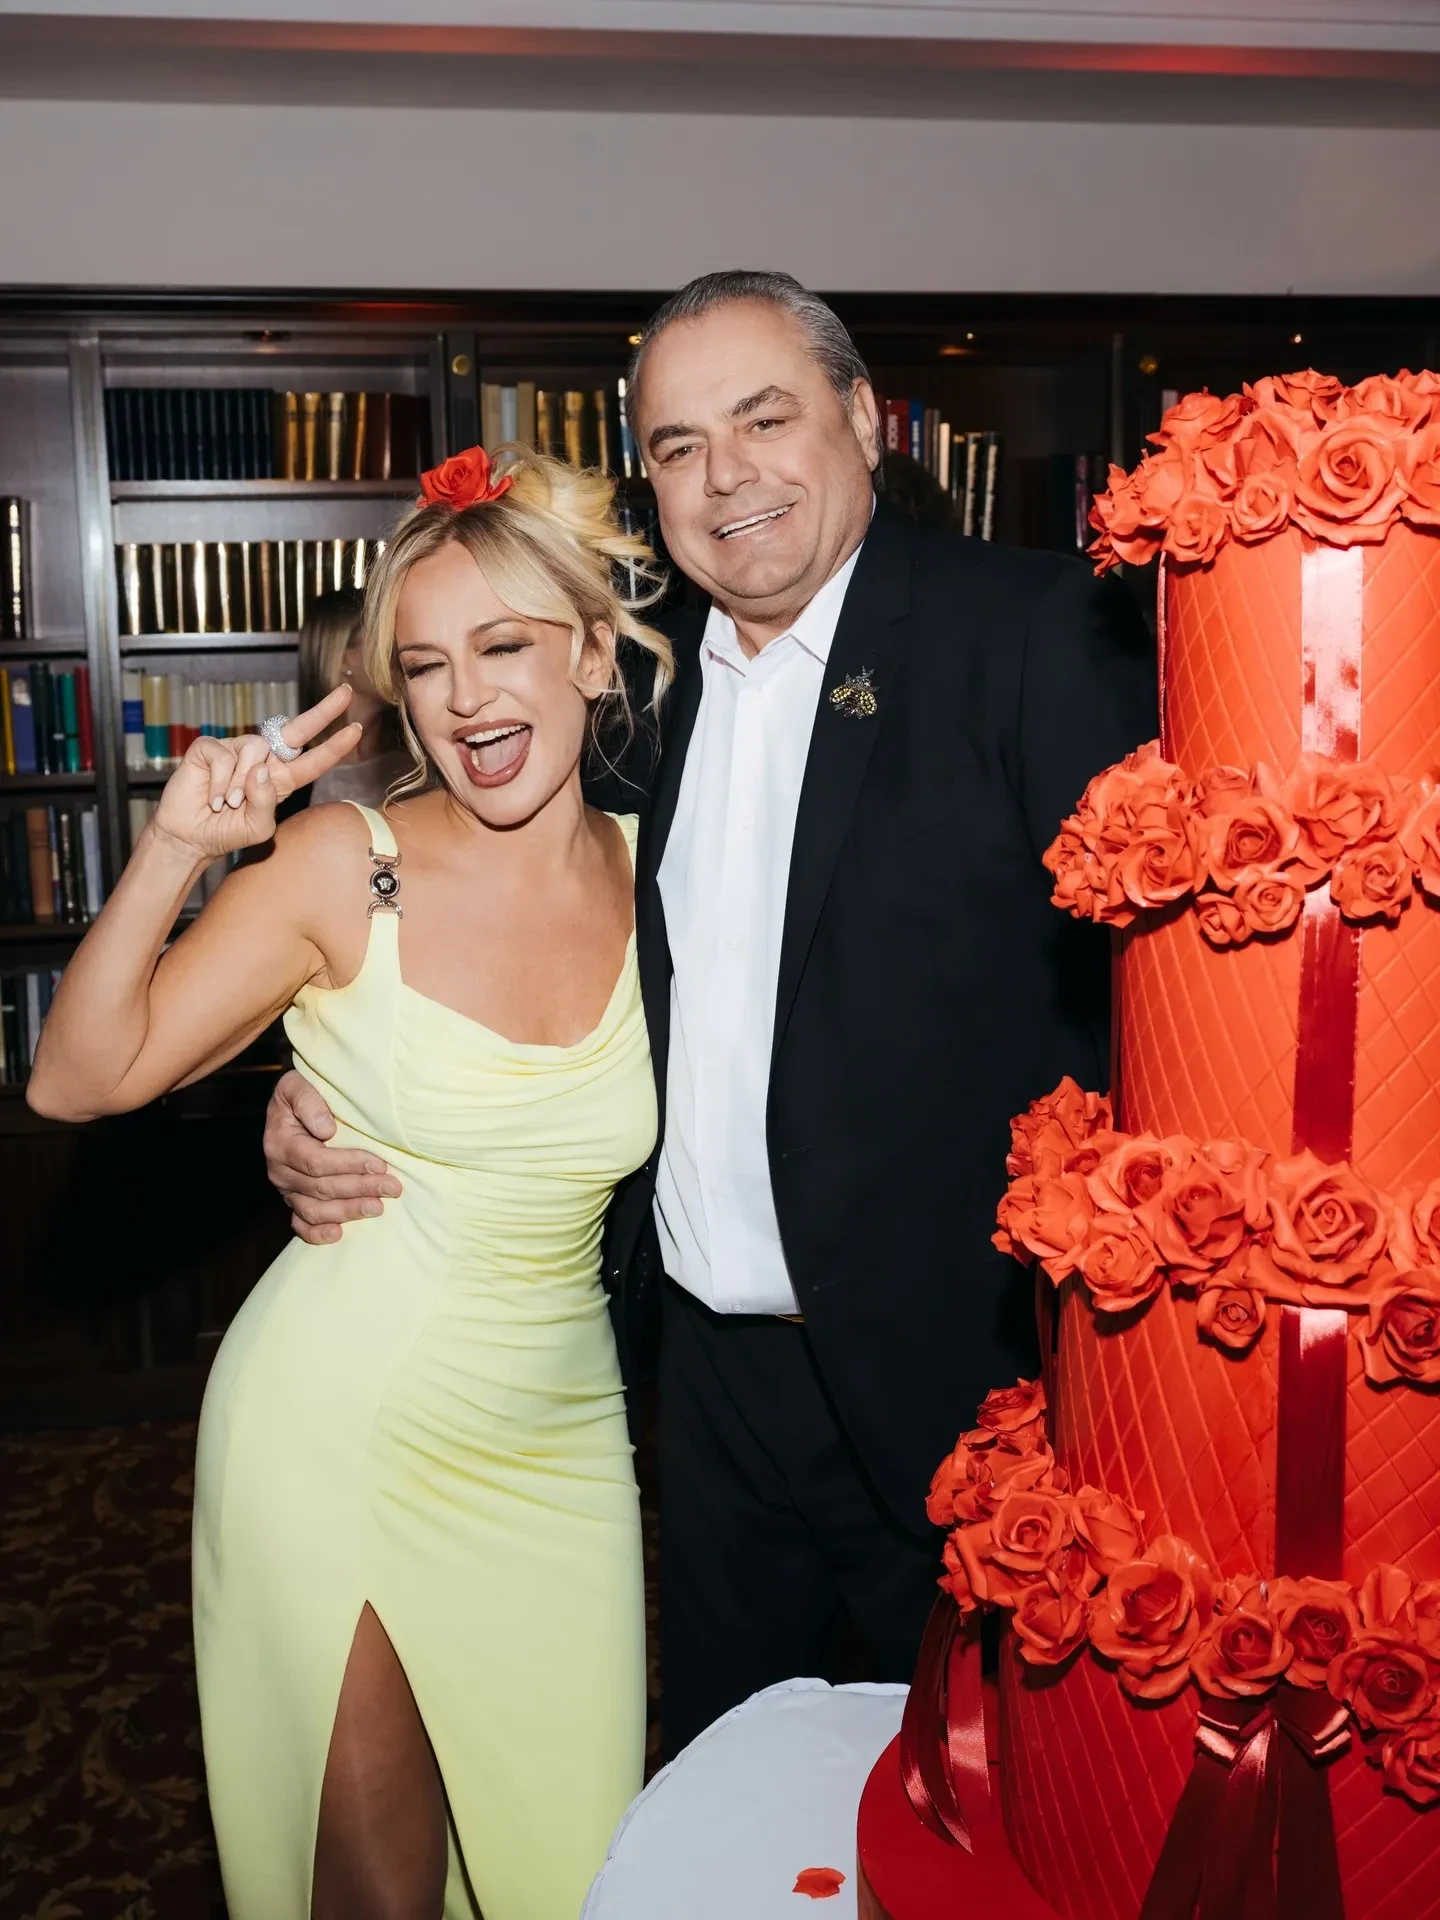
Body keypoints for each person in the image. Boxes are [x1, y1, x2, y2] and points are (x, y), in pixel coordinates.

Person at [261, 271, 1157, 1759]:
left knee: (984, 1801)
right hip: (703, 1387)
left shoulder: (1030, 632)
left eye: (764, 419)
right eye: (678, 446)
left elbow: (1161, 1004)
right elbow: (484, 916)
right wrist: (325, 1084)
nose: (727, 475)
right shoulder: (627, 681)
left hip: (961, 1381)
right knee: (721, 1787)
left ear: (863, 419)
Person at [27, 447, 672, 1920]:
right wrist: (175, 849)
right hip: (338, 1434)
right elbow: (78, 1078)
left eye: (503, 647)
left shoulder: (664, 875)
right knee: (375, 1895)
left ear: (590, 653)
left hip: (565, 1446)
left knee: (574, 1873)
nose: (467, 701)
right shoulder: (345, 866)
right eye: (427, 668)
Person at [294, 585, 412, 808]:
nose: (402, 652)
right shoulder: (291, 770)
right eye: (384, 641)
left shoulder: (420, 751)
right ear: (344, 659)